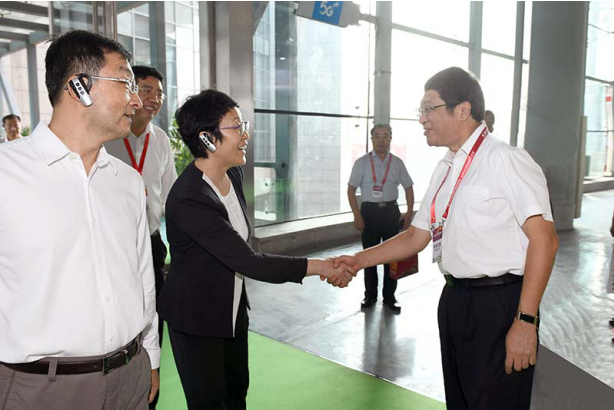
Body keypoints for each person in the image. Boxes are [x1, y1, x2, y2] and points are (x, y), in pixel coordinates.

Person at [335, 67, 559, 410]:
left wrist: (526, 321)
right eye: (421, 110)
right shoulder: (446, 167)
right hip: (455, 301)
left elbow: (545, 240)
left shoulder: (506, 159)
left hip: (499, 305)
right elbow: (415, 235)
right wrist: (357, 260)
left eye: (429, 109)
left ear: (463, 110)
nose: (422, 119)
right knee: (461, 400)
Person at [157, 89, 355, 409]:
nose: (246, 134)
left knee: (237, 392)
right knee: (209, 403)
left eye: (243, 124)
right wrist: (322, 266)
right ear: (207, 139)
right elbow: (250, 262)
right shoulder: (190, 198)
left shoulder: (233, 173)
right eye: (237, 127)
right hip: (196, 319)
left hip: (231, 308)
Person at [0, 30, 160, 409]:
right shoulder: (7, 173)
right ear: (79, 87)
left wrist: (151, 357)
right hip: (42, 388)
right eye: (125, 83)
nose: (137, 101)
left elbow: (143, 277)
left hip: (131, 374)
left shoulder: (127, 180)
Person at [105, 65, 176, 409]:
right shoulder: (108, 136)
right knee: (117, 314)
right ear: (132, 91)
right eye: (146, 90)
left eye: (159, 93)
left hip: (151, 240)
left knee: (153, 315)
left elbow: (172, 193)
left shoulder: (160, 139)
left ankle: (149, 389)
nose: (153, 98)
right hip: (114, 245)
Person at [347, 124, 414, 312]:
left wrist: (409, 212)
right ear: (372, 139)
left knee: (393, 257)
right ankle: (370, 295)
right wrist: (357, 215)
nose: (381, 140)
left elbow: (408, 187)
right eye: (377, 136)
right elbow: (351, 190)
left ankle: (390, 297)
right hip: (369, 213)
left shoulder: (397, 163)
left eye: (385, 136)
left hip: (391, 213)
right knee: (368, 256)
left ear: (391, 138)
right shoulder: (362, 163)